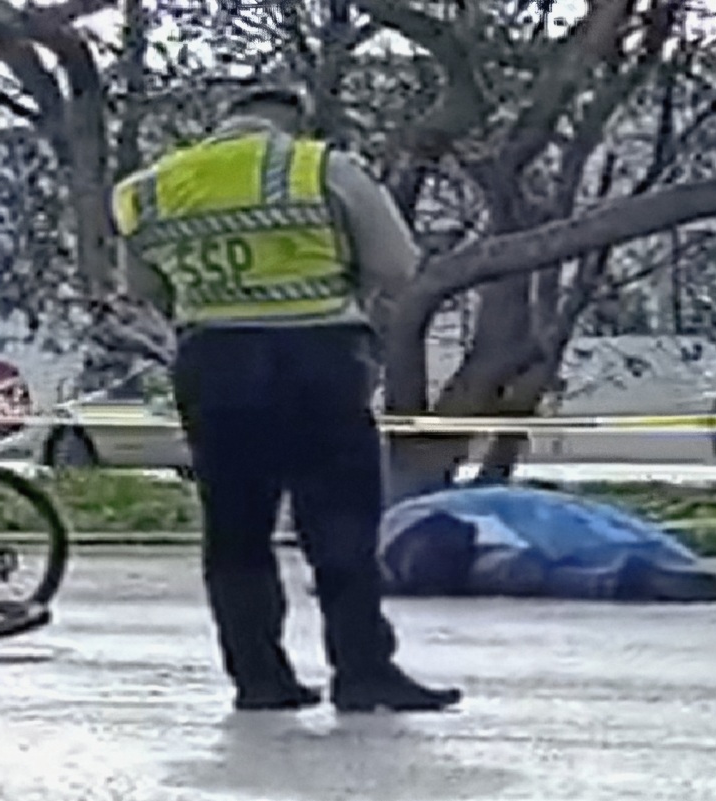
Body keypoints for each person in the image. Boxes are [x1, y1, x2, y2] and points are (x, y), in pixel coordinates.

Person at [109, 83, 462, 713]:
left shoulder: (150, 188)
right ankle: (362, 672)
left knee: (235, 529)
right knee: (341, 525)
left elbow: (141, 286)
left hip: (212, 362)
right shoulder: (320, 167)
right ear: (291, 121)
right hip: (316, 356)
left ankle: (259, 679)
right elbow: (398, 266)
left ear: (225, 122)